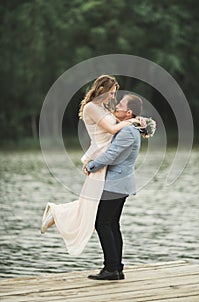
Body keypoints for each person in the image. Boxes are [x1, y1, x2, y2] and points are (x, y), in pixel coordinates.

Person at [40, 75, 135, 256]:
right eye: (111, 93)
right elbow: (112, 129)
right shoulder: (91, 108)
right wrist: (130, 122)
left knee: (90, 205)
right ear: (101, 90)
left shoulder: (103, 107)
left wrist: (138, 121)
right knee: (90, 206)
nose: (112, 97)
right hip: (100, 157)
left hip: (105, 157)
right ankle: (57, 214)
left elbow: (119, 120)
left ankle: (57, 214)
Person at [84, 93, 143, 281]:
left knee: (102, 223)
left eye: (121, 104)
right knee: (112, 224)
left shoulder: (127, 131)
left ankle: (111, 268)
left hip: (116, 183)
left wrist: (91, 165)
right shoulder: (130, 127)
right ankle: (116, 268)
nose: (116, 106)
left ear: (129, 112)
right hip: (121, 183)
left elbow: (111, 154)